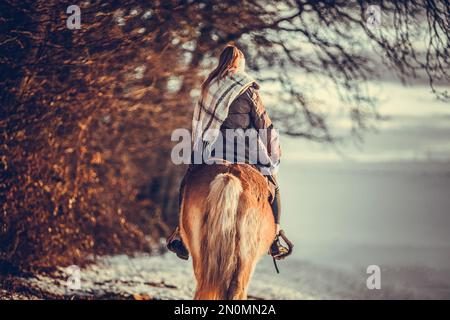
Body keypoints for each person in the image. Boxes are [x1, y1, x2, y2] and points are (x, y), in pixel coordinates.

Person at [167, 44, 292, 261]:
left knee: (187, 183)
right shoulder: (248, 89)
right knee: (274, 185)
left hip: (211, 150)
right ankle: (274, 239)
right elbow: (264, 125)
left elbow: (200, 123)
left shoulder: (209, 87)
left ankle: (181, 232)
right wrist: (274, 150)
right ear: (239, 64)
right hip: (245, 153)